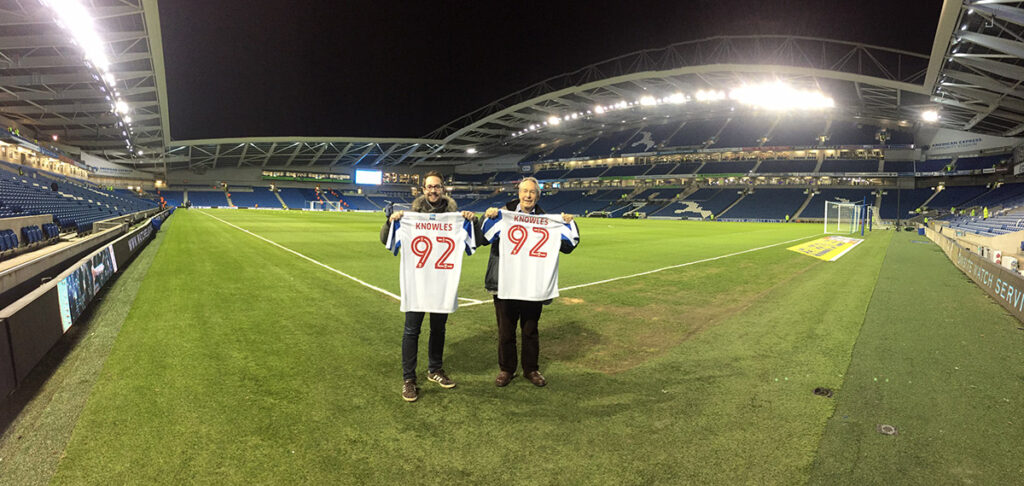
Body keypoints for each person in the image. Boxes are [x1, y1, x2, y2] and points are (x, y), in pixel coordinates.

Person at [380, 171, 476, 402]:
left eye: (437, 187)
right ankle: (408, 379)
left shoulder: (455, 217)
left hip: (442, 284)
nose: (433, 191)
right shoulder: (411, 216)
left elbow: (474, 243)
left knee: (438, 329)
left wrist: (473, 220)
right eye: (429, 187)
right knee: (411, 330)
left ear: (443, 189)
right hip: (418, 283)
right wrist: (391, 221)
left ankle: (435, 370)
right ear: (423, 189)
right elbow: (387, 240)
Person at [481, 177, 577, 387]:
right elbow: (483, 237)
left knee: (530, 330)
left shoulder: (546, 220)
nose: (528, 195)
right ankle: (506, 369)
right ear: (518, 193)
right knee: (506, 332)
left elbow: (569, 245)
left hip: (533, 283)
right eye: (524, 191)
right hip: (505, 283)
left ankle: (531, 369)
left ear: (537, 195)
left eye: (532, 192)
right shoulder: (504, 214)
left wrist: (569, 223)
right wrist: (487, 216)